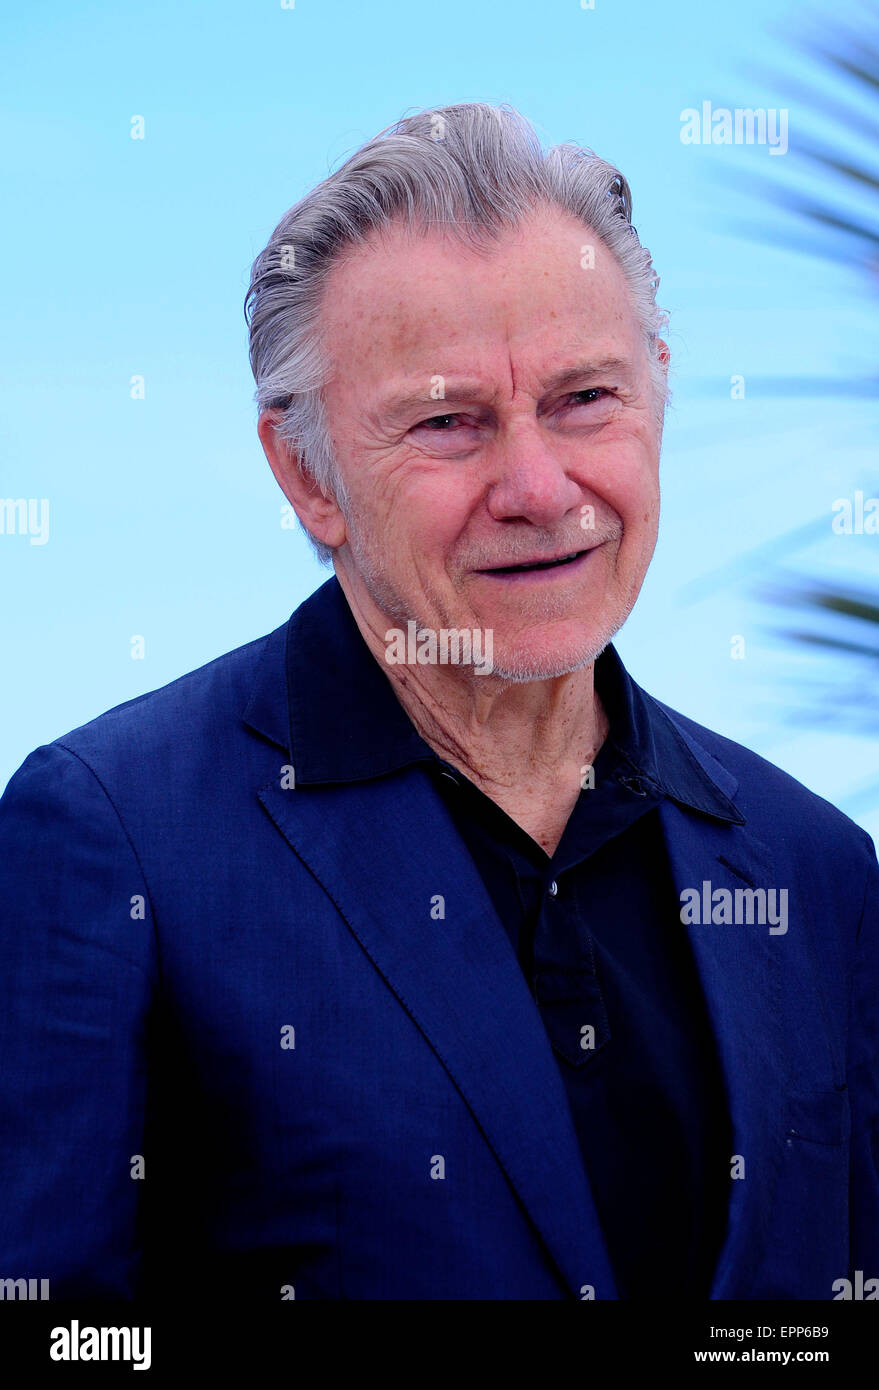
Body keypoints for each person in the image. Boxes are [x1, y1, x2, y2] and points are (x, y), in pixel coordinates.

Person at [1, 102, 876, 1301]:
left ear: (659, 393)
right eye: (448, 422)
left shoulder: (815, 868)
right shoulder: (116, 837)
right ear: (308, 474)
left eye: (584, 399)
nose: (537, 485)